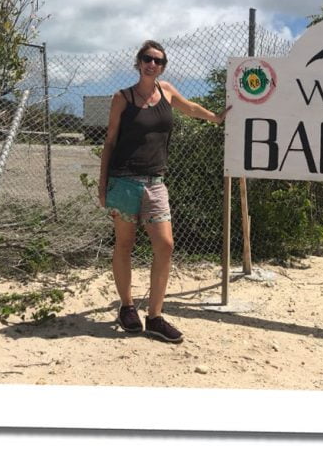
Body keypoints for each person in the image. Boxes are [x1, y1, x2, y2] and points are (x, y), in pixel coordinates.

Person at [98, 40, 230, 343]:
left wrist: (216, 117)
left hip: (155, 183)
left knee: (165, 245)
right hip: (124, 181)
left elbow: (190, 107)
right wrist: (102, 184)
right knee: (124, 244)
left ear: (163, 67)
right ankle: (127, 307)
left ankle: (155, 316)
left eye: (158, 61)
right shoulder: (122, 98)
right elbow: (110, 141)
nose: (152, 64)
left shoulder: (167, 91)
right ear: (138, 62)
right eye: (147, 59)